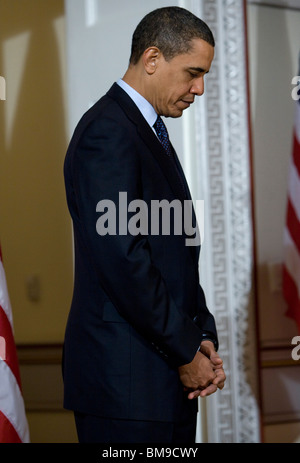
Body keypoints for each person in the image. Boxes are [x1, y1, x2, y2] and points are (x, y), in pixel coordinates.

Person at [62, 6, 226, 444]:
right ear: (152, 59)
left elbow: (173, 256)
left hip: (161, 381)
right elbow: (125, 260)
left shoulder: (146, 130)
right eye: (193, 72)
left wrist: (202, 337)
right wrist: (183, 348)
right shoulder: (108, 132)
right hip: (126, 388)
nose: (200, 88)